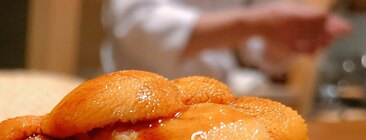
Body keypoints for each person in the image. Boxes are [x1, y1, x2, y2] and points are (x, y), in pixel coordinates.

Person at [102, 0, 352, 82]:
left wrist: (284, 41)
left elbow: (259, 49)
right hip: (136, 99)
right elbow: (139, 24)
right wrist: (258, 22)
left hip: (214, 105)